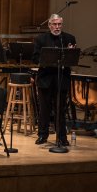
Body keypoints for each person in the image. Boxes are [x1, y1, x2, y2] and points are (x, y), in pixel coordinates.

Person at [32, 13, 76, 146]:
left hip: (61, 79)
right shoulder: (41, 39)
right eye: (54, 24)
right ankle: (42, 135)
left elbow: (73, 59)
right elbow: (34, 58)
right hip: (45, 79)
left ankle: (62, 137)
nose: (57, 27)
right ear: (49, 25)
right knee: (44, 109)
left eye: (59, 24)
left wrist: (70, 53)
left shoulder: (69, 38)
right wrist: (45, 60)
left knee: (60, 109)